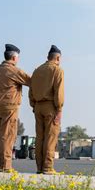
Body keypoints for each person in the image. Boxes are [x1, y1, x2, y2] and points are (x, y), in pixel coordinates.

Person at [0, 44, 31, 172]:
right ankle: (6, 166)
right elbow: (31, 81)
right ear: (14, 58)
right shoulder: (14, 71)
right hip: (9, 108)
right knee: (7, 135)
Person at [29, 45, 64, 174]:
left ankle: (39, 167)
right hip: (51, 107)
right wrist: (59, 110)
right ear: (58, 57)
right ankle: (48, 167)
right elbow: (59, 93)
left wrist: (34, 105)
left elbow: (31, 91)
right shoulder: (57, 70)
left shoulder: (37, 70)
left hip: (38, 106)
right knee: (50, 137)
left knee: (40, 138)